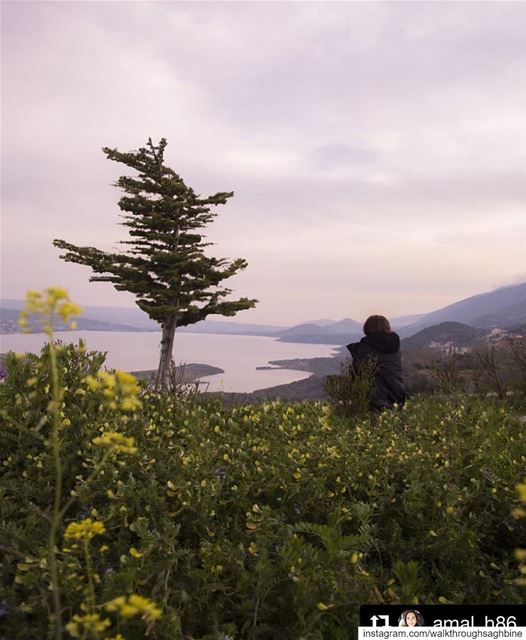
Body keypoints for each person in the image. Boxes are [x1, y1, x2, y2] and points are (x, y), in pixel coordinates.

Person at [347, 315, 407, 410]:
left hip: (375, 401)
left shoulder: (366, 347)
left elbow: (356, 374)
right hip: (398, 395)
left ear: (367, 328)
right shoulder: (395, 348)